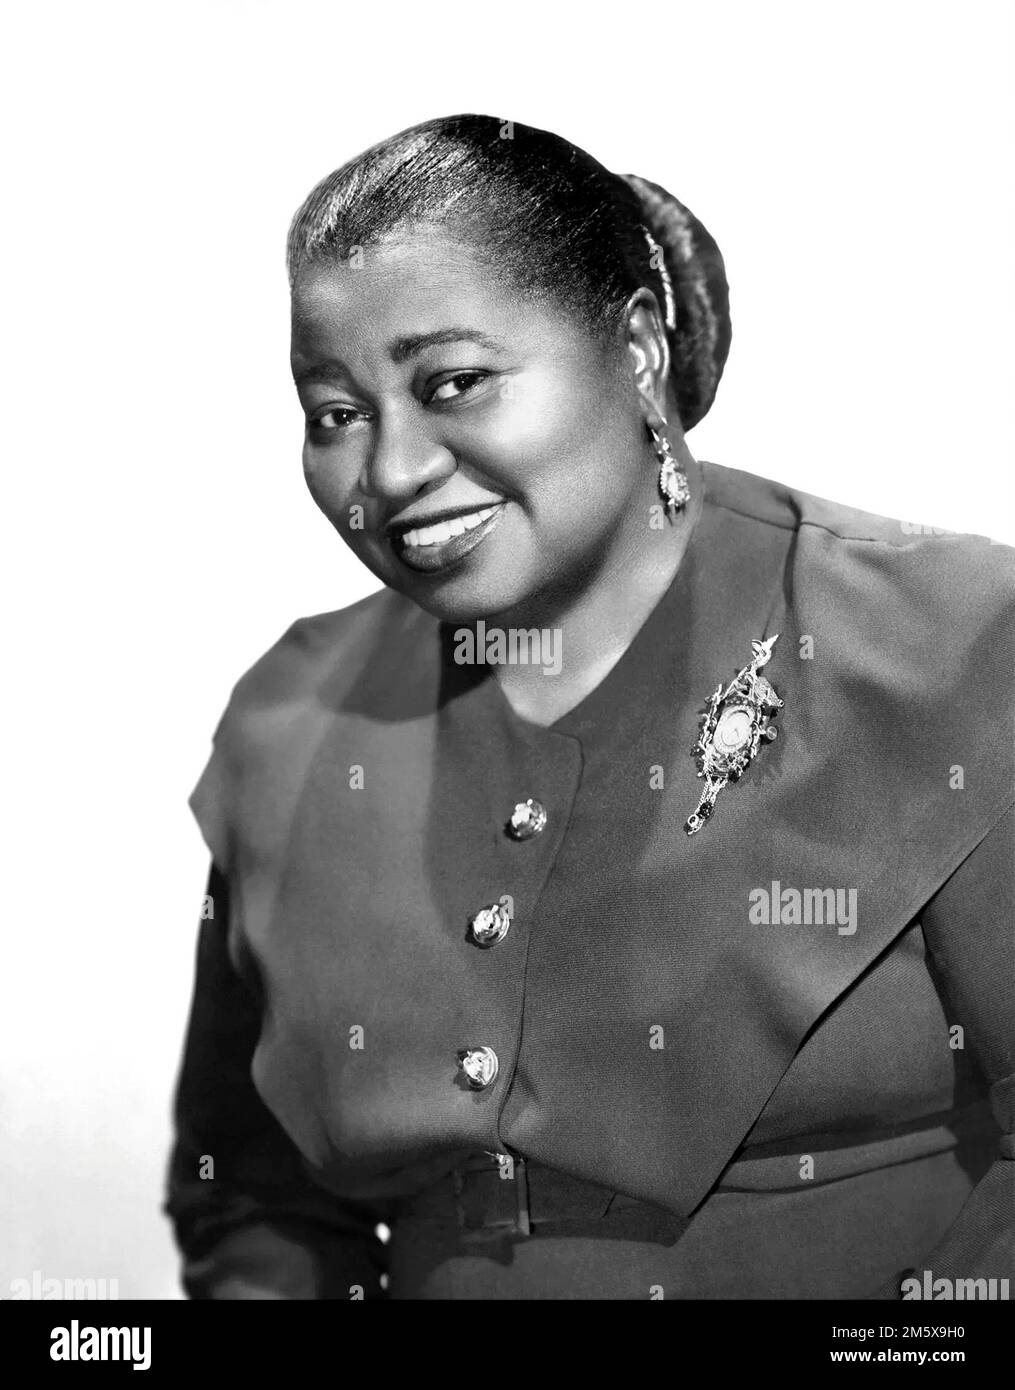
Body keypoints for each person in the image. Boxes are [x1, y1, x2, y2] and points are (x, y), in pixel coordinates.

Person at [165, 114, 1014, 1300]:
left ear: (635, 349)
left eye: (453, 383)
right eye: (335, 412)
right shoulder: (294, 728)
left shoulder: (957, 643)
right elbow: (256, 1204)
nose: (391, 469)